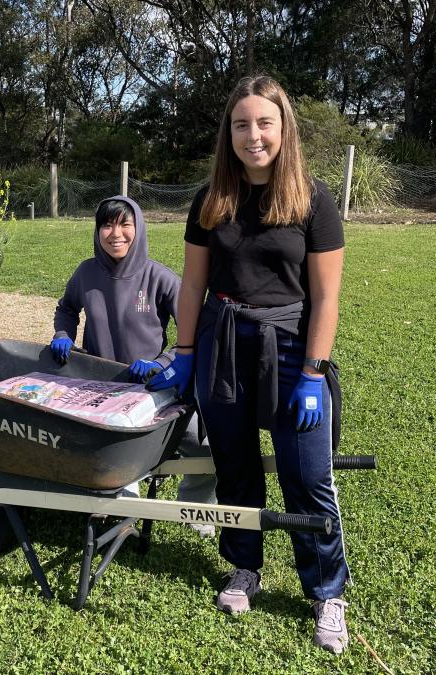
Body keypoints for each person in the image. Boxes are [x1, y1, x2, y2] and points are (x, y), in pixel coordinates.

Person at [147, 75, 350, 654]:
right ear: (228, 133)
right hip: (223, 343)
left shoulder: (313, 199)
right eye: (242, 124)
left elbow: (327, 297)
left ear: (283, 127)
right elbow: (191, 283)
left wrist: (314, 372)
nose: (253, 135)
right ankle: (244, 567)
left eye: (264, 122)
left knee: (306, 475)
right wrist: (185, 354)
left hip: (290, 346)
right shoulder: (211, 198)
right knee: (234, 465)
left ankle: (326, 591)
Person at [49, 196, 217, 525]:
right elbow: (67, 308)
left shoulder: (158, 277)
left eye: (125, 224)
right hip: (101, 389)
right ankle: (122, 494)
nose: (116, 233)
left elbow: (193, 324)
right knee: (120, 454)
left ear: (138, 228)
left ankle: (197, 504)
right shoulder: (86, 273)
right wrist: (62, 334)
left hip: (155, 387)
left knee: (204, 447)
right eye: (107, 225)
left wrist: (162, 362)